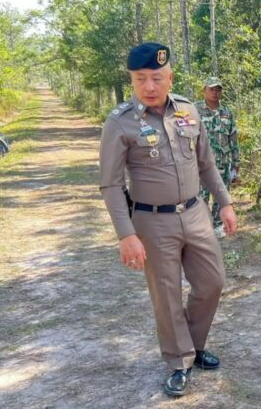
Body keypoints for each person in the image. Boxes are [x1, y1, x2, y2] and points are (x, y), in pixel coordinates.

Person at [98, 42, 238, 397]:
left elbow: (207, 163)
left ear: (169, 77)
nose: (148, 86)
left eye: (156, 77)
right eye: (140, 78)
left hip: (195, 213)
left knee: (212, 282)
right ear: (132, 79)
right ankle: (179, 360)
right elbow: (111, 184)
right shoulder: (120, 123)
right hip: (151, 221)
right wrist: (125, 234)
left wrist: (225, 203)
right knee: (167, 293)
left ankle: (192, 344)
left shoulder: (189, 111)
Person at [195, 77, 239, 238]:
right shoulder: (195, 110)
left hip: (223, 162)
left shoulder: (227, 112)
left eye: (218, 89)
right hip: (201, 164)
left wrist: (236, 163)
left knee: (222, 195)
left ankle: (218, 225)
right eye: (211, 89)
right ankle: (201, 227)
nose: (215, 93)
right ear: (204, 90)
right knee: (200, 196)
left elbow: (233, 138)